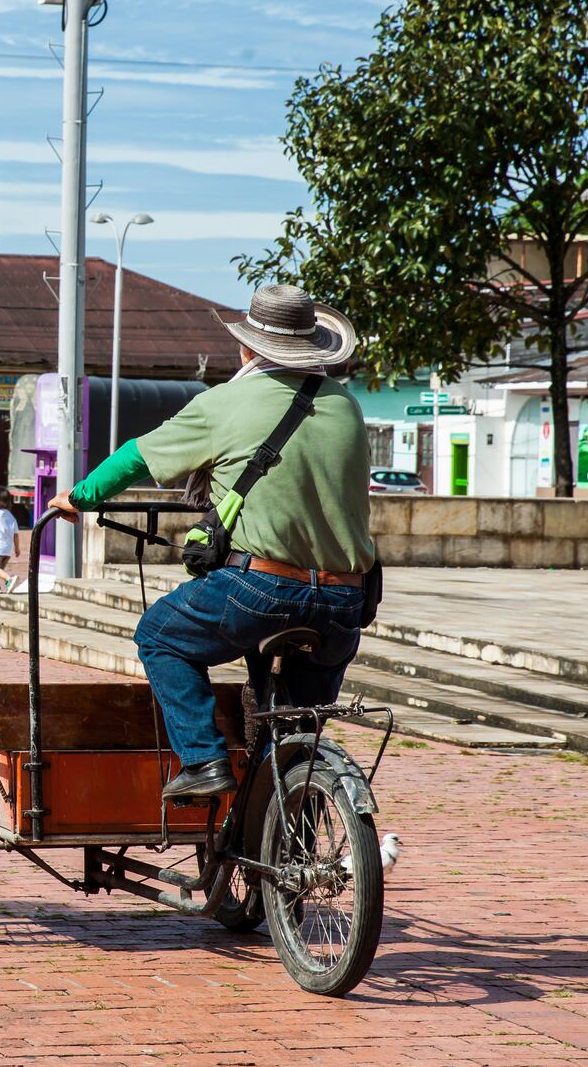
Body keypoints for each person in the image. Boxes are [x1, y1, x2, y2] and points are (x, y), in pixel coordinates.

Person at [51, 284, 374, 801]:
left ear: (249, 348)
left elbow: (137, 457)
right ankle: (293, 844)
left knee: (159, 634)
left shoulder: (226, 402)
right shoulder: (345, 404)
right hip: (344, 601)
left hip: (263, 590)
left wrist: (80, 496)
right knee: (295, 740)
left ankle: (202, 761)